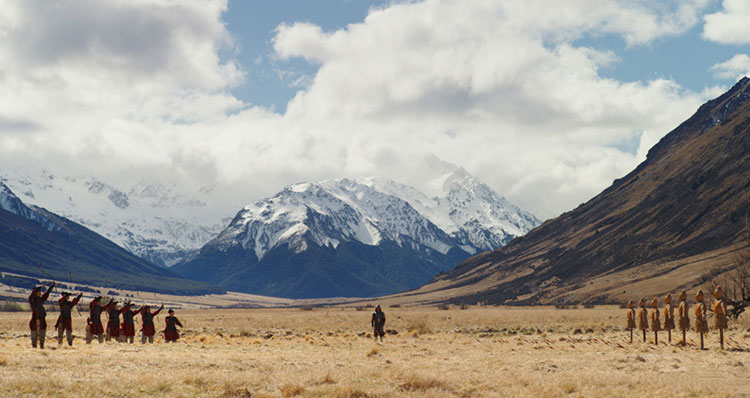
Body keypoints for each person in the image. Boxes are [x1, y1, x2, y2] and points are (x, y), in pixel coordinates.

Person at [28, 282, 55, 349]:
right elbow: (32, 295)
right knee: (33, 329)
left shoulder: (40, 299)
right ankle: (34, 345)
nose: (40, 293)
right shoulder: (32, 300)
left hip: (42, 316)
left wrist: (51, 287)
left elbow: (46, 294)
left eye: (40, 291)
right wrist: (39, 287)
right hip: (35, 317)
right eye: (39, 291)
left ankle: (41, 345)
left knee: (43, 329)